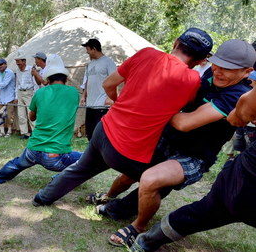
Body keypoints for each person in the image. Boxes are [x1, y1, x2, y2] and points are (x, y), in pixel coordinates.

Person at [31, 28, 213, 210]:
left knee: (79, 170)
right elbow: (183, 107)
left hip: (104, 130)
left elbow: (108, 84)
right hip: (129, 150)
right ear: (200, 60)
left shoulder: (146, 54)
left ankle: (42, 198)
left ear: (175, 42)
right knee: (160, 181)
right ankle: (118, 211)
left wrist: (120, 102)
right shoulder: (192, 80)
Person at [99, 39, 255, 248]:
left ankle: (138, 226)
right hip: (168, 139)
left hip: (194, 156)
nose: (218, 71)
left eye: (228, 69)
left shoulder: (236, 95)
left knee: (150, 180)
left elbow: (184, 123)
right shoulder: (212, 74)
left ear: (246, 72)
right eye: (217, 64)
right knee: (132, 171)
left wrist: (149, 101)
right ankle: (109, 199)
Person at [130, 82, 256, 252]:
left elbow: (239, 114)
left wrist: (161, 108)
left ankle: (145, 238)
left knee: (206, 210)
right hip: (245, 176)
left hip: (242, 176)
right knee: (205, 211)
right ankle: (145, 237)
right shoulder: (209, 78)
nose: (218, 71)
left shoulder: (236, 92)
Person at [0, 54, 82, 184]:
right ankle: (59, 179)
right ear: (65, 77)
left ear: (48, 77)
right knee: (85, 159)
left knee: (16, 163)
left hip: (33, 149)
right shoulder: (73, 93)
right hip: (55, 156)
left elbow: (31, 116)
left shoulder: (40, 93)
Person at [79, 39, 117, 140]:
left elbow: (115, 81)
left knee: (99, 135)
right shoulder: (90, 64)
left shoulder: (108, 62)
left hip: (102, 105)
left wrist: (110, 98)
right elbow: (87, 81)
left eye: (88, 49)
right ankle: (93, 154)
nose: (87, 52)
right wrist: (83, 96)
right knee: (90, 133)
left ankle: (101, 155)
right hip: (90, 104)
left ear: (94, 49)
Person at [15, 51, 37, 139]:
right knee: (21, 114)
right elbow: (17, 83)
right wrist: (16, 96)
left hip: (29, 92)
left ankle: (35, 133)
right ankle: (24, 133)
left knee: (30, 113)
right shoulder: (17, 71)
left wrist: (35, 95)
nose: (18, 64)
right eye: (17, 63)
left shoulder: (31, 69)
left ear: (24, 61)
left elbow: (35, 83)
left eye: (19, 62)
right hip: (20, 92)